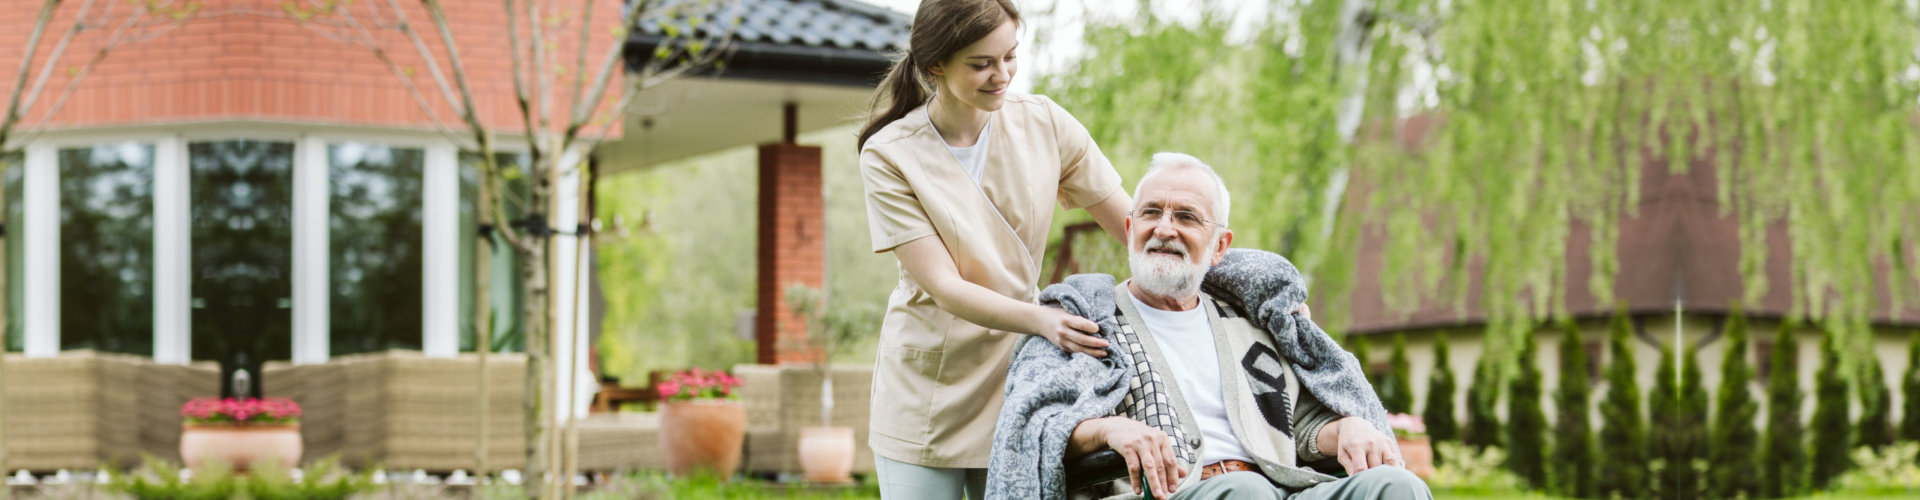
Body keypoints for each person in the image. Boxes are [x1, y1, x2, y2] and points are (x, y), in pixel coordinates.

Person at [988, 153, 1431, 500]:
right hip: (1166, 494)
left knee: (1398, 487)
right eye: (1151, 213)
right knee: (1245, 492)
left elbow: (1301, 426)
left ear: (1219, 246)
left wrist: (1350, 426)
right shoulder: (1084, 319)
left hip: (1280, 487)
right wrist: (1109, 429)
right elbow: (1032, 424)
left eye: (1186, 217)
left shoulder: (1250, 324)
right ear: (1129, 228)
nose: (1165, 228)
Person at [856, 1, 1133, 498]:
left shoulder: (1045, 123)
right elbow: (945, 287)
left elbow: (1137, 228)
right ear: (936, 65)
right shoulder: (889, 153)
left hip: (1017, 384)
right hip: (928, 391)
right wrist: (1044, 320)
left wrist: (1235, 283)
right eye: (981, 64)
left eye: (1010, 56)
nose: (1001, 75)